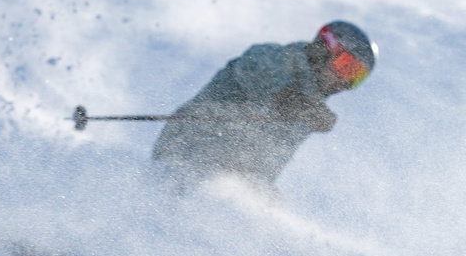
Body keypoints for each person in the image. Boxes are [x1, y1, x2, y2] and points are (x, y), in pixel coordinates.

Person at [152, 21, 377, 193]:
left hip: (227, 180)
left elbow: (265, 164)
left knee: (268, 205)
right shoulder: (275, 57)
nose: (345, 83)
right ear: (325, 48)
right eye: (347, 68)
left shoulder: (308, 112)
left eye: (357, 78)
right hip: (187, 150)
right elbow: (258, 71)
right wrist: (290, 99)